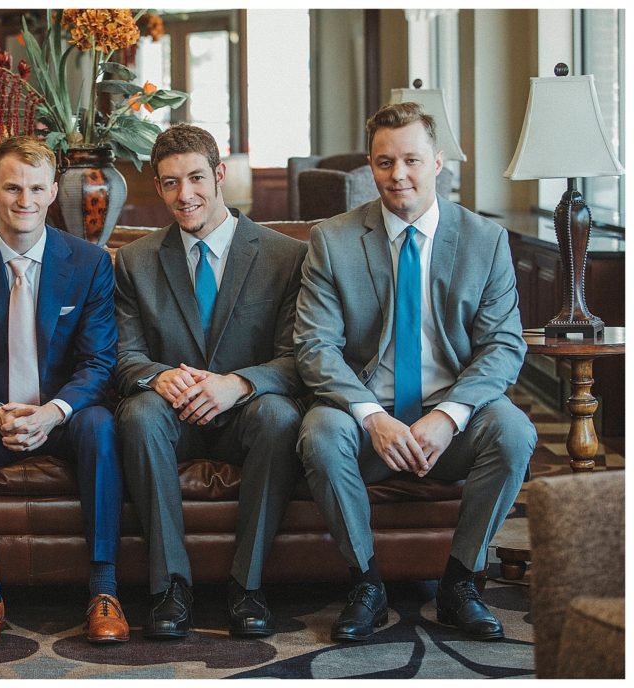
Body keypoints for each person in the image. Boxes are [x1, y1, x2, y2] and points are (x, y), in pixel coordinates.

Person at [294, 102, 536, 643]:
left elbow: (502, 346)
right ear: (370, 166)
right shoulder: (332, 239)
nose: (397, 174)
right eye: (384, 162)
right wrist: (372, 416)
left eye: (411, 160)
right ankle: (366, 584)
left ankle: (461, 582)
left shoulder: (485, 241)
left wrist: (448, 416)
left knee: (514, 431)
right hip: (366, 421)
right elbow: (314, 346)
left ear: (438, 162)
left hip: (449, 419)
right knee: (320, 431)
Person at [0, 136, 127, 646]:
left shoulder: (89, 262)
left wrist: (53, 413)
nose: (25, 200)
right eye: (13, 187)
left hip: (63, 417)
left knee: (102, 424)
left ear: (53, 192)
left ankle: (104, 591)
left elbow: (98, 362)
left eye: (37, 189)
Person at [114, 123, 307, 640]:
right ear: (158, 187)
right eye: (171, 182)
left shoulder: (285, 256)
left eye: (196, 177)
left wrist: (237, 385)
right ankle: (170, 588)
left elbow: (297, 360)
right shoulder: (134, 261)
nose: (185, 194)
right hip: (173, 416)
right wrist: (158, 377)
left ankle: (247, 585)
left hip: (247, 414)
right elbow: (125, 356)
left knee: (280, 414)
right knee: (137, 413)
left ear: (220, 174)